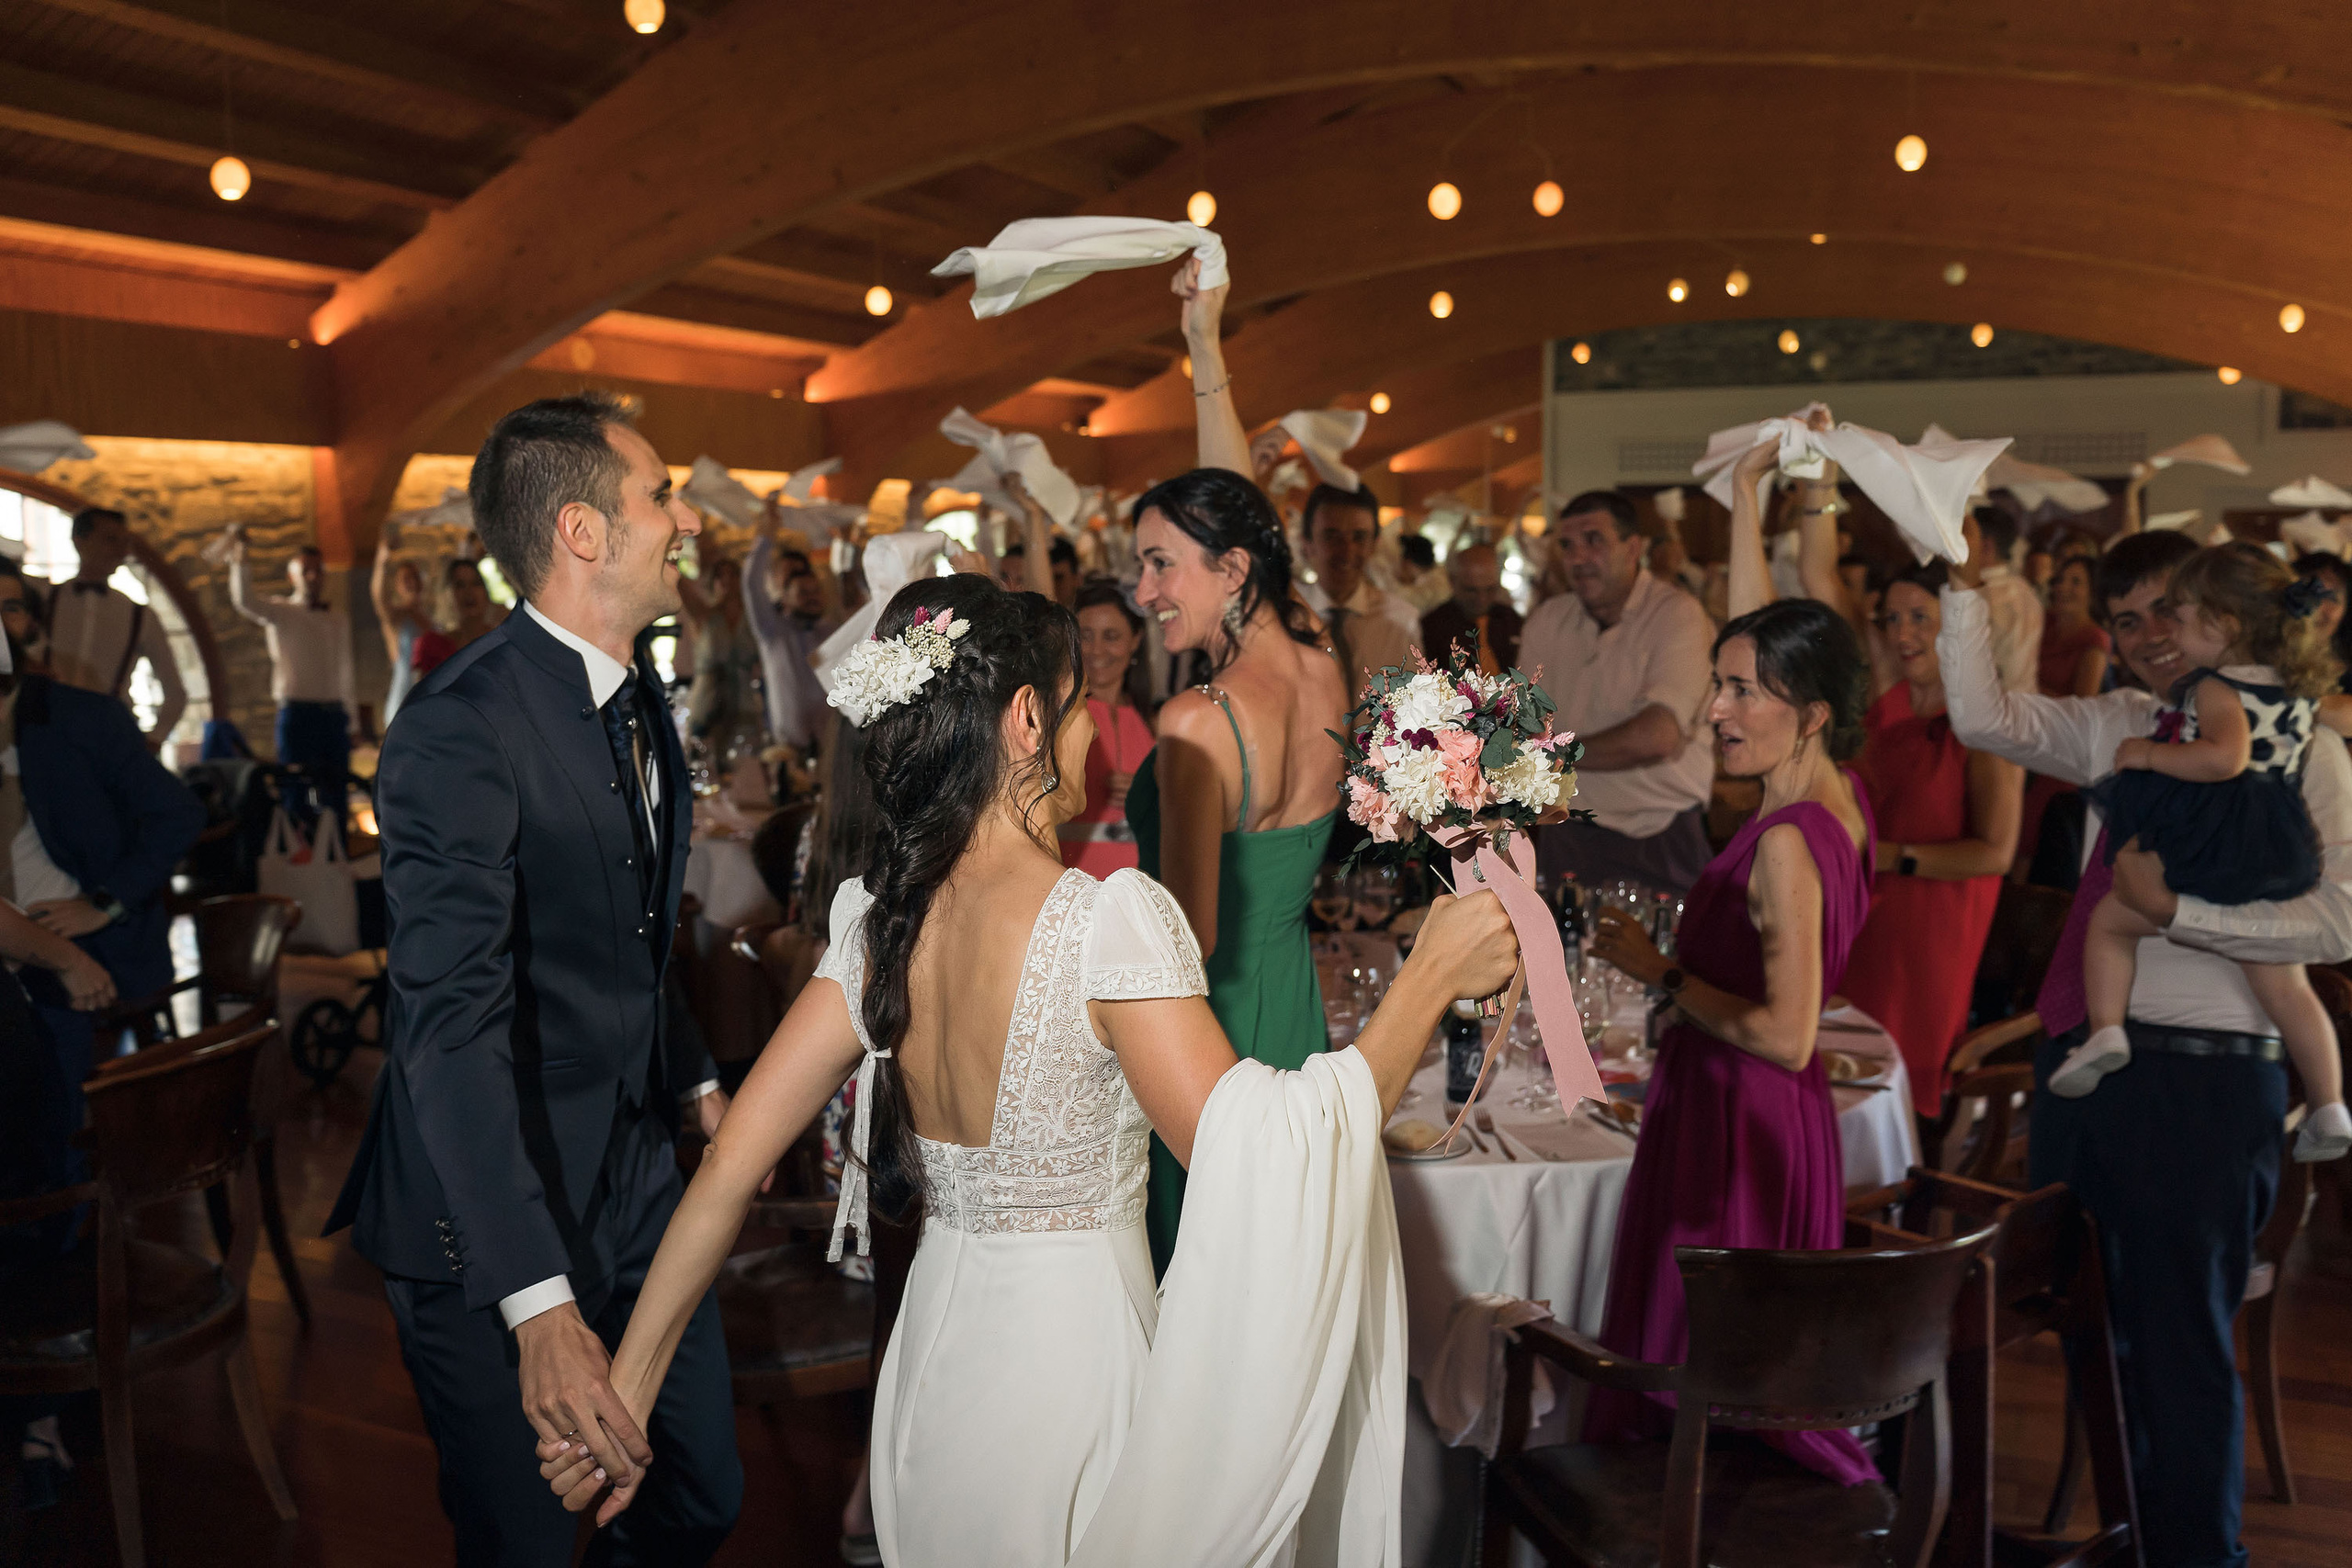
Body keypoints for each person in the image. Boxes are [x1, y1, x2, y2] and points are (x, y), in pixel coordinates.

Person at [530, 570, 1523, 1566]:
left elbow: (726, 1168)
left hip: (933, 1362)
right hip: (1070, 1369)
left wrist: (627, 1392)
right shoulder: (1107, 922)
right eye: (1079, 703)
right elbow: (1256, 1152)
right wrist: (1424, 983)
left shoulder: (878, 923)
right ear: (1023, 719)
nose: (1093, 728)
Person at [325, 392, 742, 1567]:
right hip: (489, 1226)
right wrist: (540, 1308)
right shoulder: (457, 729)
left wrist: (691, 1073)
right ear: (582, 531)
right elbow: (446, 1032)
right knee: (527, 1544)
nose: (685, 517)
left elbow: (630, 925)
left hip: (633, 1186)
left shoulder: (637, 694)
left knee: (697, 1492)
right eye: (661, 494)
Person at [1939, 526, 2352, 1568]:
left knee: (2178, 1351)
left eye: (2168, 608)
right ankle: (2130, 1537)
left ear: (2221, 610)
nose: (2149, 635)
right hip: (2086, 1064)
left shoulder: (2305, 741)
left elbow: (2340, 922)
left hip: (2210, 1083)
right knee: (2085, 1330)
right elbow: (1980, 715)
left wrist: (2175, 912)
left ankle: (2198, 1559)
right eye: (2125, 620)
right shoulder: (2120, 726)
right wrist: (1960, 584)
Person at [1584, 596, 1879, 1484]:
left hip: (1736, 1122)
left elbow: (1787, 1036)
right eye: (1718, 684)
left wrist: (1656, 969)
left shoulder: (1788, 841)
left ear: (1812, 714)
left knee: (1707, 1369)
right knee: (1746, 1367)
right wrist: (1747, 490)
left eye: (1744, 692)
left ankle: (1685, 1521)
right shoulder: (1841, 798)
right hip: (1767, 1117)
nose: (1717, 709)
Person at [1123, 254, 1351, 1274]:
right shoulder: (1321, 666)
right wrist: (1203, 343)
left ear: (1231, 570)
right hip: (1294, 1014)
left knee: (1203, 1279)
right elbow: (1239, 511)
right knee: (1282, 1265)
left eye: (1160, 563)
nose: (1142, 591)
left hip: (1205, 1038)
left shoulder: (1194, 723)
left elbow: (1181, 939)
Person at [2053, 545, 2350, 1157]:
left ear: (2228, 625)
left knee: (2111, 921)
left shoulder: (2219, 688)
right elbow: (2339, 717)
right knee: (2287, 988)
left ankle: (2106, 1029)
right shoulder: (2299, 692)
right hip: (2281, 847)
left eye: (2182, 617)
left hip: (2220, 840)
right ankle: (2328, 1104)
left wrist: (2149, 754)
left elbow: (2224, 758)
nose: (2171, 631)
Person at [1, 615, 204, 1129]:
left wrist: (105, 903)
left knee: (49, 1124)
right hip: (17, 943)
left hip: (75, 948)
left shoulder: (81, 719)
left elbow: (177, 815)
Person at [1520, 490, 1717, 892]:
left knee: (1668, 955)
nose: (1577, 558)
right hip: (1569, 832)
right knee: (1562, 955)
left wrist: (1554, 754)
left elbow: (1658, 736)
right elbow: (1519, 728)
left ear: (1633, 548)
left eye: (1594, 540)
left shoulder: (1677, 615)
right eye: (1567, 545)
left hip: (1660, 830)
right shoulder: (1548, 620)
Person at [227, 533, 357, 822]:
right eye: (306, 571)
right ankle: (298, 858)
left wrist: (353, 722)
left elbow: (345, 670)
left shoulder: (338, 619)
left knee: (337, 793)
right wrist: (240, 559)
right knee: (295, 793)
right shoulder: (281, 612)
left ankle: (338, 860)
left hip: (334, 716)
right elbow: (244, 600)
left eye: (318, 570)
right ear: (292, 576)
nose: (313, 577)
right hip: (297, 714)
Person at [42, 507, 185, 747]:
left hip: (111, 735)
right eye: (110, 540)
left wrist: (154, 740)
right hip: (46, 728)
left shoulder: (140, 615)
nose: (122, 551)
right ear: (80, 543)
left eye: (124, 542)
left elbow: (175, 691)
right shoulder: (42, 599)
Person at [1060, 580, 1155, 878]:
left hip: (1139, 881)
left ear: (1136, 640)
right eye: (1085, 636)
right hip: (1071, 877)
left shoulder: (1156, 722)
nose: (1096, 649)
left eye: (1111, 636)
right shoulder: (1062, 718)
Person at [1296, 481, 1420, 697]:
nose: (1347, 551)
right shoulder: (1286, 616)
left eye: (1359, 537)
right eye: (1332, 536)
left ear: (1374, 544)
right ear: (1307, 543)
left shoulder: (1402, 622)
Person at [745, 522, 839, 750]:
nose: (812, 598)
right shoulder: (773, 632)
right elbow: (751, 585)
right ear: (785, 598)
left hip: (833, 747)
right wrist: (765, 539)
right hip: (790, 752)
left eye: (816, 591)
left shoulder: (832, 632)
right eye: (803, 593)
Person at [684, 552, 761, 748]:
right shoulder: (703, 617)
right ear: (713, 581)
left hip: (744, 705)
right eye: (720, 575)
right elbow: (683, 589)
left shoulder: (753, 620)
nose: (727, 580)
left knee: (745, 759)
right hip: (706, 704)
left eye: (733, 574)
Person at [1969, 505, 2045, 694]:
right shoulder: (2025, 589)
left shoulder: (1982, 597)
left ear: (1986, 546)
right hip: (2029, 703)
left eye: (1965, 542)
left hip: (1995, 705)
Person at [370, 521, 438, 728]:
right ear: (397, 586)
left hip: (432, 696)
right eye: (406, 578)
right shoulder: (396, 618)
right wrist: (383, 559)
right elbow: (378, 597)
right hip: (404, 697)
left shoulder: (432, 620)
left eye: (415, 576)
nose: (412, 582)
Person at [1418, 541, 1521, 675]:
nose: (1481, 599)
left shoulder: (1510, 620)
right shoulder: (1433, 627)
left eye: (1490, 590)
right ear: (1453, 581)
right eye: (1471, 590)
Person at [2040, 554, 2111, 697]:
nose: (2062, 587)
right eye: (2060, 580)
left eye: (2076, 582)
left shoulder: (2095, 639)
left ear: (2093, 592)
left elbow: (2082, 705)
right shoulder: (2044, 620)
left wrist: (2029, 691)